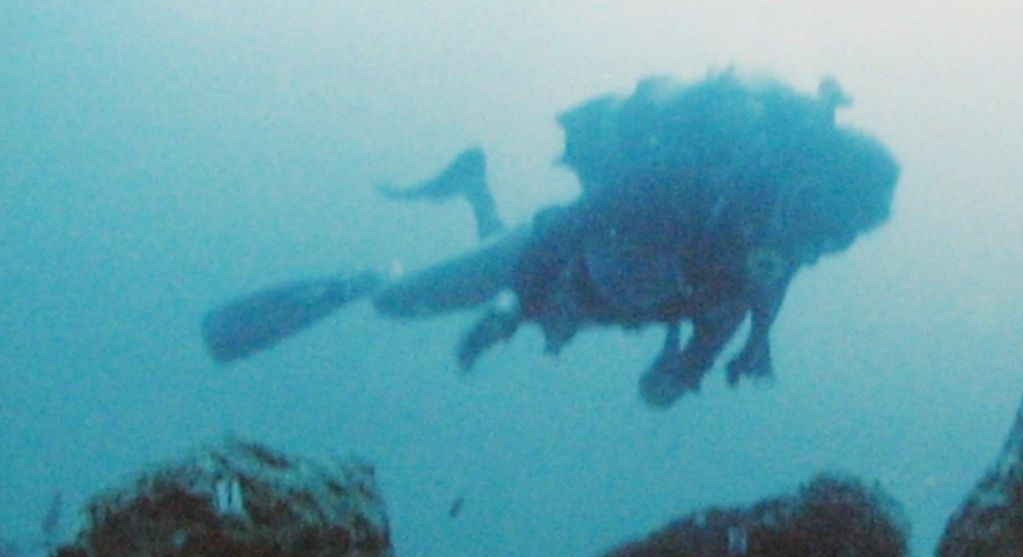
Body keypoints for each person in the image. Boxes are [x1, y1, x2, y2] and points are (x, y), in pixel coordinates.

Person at [202, 72, 898, 408]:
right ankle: (369, 278)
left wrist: (683, 371)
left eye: (836, 235)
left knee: (508, 277)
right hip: (553, 263)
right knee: (401, 305)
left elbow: (716, 325)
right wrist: (510, 310)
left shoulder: (769, 259)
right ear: (795, 177)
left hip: (592, 296)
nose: (810, 242)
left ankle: (475, 184)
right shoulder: (685, 187)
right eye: (814, 213)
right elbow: (567, 229)